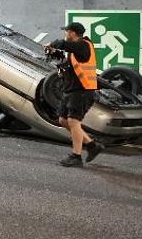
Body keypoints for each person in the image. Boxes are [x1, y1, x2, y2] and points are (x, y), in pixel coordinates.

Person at [43, 21, 106, 166]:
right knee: (63, 121)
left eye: (66, 31)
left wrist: (52, 44)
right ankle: (92, 145)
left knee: (73, 121)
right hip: (71, 91)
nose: (65, 34)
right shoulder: (76, 50)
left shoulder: (83, 45)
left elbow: (62, 43)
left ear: (72, 33)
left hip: (82, 91)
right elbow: (67, 61)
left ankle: (76, 156)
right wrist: (54, 53)